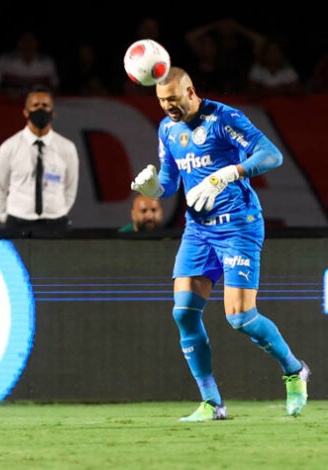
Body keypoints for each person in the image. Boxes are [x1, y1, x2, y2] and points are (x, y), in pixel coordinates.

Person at [131, 67, 308, 421]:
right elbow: (170, 181)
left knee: (240, 318)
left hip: (238, 227)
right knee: (183, 312)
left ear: (191, 91)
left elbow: (272, 155)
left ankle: (294, 370)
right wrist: (152, 188)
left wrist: (227, 174)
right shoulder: (168, 130)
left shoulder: (224, 118)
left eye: (173, 99)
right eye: (162, 101)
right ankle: (212, 403)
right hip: (198, 232)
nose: (168, 107)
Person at [0, 85, 78, 237]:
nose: (40, 109)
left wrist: (58, 211)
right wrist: (8, 217)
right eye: (35, 105)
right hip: (18, 223)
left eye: (45, 105)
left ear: (53, 112)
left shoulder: (67, 148)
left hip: (56, 224)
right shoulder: (9, 148)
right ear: (26, 111)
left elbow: (70, 188)